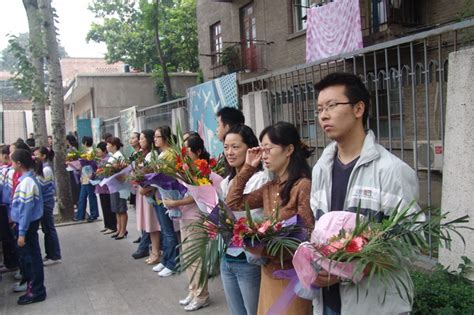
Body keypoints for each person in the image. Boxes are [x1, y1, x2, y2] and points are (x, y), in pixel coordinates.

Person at [310, 72, 420, 315]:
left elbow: (410, 242)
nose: (323, 115)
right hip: (327, 303)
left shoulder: (391, 170)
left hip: (374, 305)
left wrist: (347, 270)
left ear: (358, 108)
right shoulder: (320, 169)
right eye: (319, 109)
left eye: (331, 106)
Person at [226, 121, 315, 315]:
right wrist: (248, 167)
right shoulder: (270, 187)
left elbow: (308, 234)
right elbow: (233, 202)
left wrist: (267, 247)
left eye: (269, 149)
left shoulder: (302, 186)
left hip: (293, 277)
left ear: (289, 149)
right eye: (262, 150)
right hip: (268, 273)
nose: (264, 155)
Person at [219, 124, 270, 315]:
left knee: (254, 311)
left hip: (247, 259)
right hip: (227, 257)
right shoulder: (225, 182)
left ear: (250, 149)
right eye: (226, 147)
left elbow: (254, 218)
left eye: (235, 147)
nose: (229, 152)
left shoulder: (259, 180)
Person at [161, 133, 213, 311]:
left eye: (187, 150)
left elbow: (197, 194)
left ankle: (202, 295)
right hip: (184, 216)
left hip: (196, 217)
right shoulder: (185, 168)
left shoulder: (202, 169)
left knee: (197, 257)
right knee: (187, 256)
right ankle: (193, 290)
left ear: (198, 151)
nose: (184, 153)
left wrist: (175, 203)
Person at [10, 149, 47, 305]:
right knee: (31, 258)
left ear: (19, 164)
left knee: (32, 260)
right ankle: (34, 289)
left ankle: (36, 291)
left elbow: (25, 210)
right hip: (26, 225)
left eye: (12, 161)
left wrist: (22, 232)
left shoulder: (27, 182)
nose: (11, 164)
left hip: (27, 226)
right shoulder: (27, 179)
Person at [151, 126, 179, 277]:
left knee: (169, 232)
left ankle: (172, 263)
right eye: (154, 136)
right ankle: (166, 259)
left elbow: (167, 175)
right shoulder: (162, 154)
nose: (154, 139)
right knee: (165, 230)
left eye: (157, 137)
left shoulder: (169, 154)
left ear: (166, 138)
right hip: (160, 196)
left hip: (168, 197)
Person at [134, 130, 160, 265]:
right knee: (148, 224)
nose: (140, 141)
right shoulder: (142, 154)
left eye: (142, 139)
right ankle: (154, 251)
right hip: (144, 192)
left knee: (152, 223)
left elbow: (155, 175)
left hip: (150, 192)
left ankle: (156, 252)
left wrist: (146, 188)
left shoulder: (153, 155)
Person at [33, 147, 62, 266]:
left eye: (36, 155)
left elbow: (41, 187)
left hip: (46, 201)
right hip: (44, 201)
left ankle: (54, 255)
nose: (34, 157)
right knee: (46, 228)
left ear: (43, 156)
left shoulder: (46, 170)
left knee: (49, 228)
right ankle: (50, 254)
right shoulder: (42, 169)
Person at [0, 145, 19, 274]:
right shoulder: (6, 170)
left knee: (11, 236)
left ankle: (15, 264)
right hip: (6, 206)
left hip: (9, 208)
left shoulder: (11, 172)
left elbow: (11, 192)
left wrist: (11, 213)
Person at [106, 137, 128, 240]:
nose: (107, 146)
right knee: (116, 209)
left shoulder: (119, 156)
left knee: (121, 209)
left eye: (108, 144)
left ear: (114, 146)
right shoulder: (112, 156)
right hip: (113, 187)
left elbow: (122, 172)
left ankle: (123, 231)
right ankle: (119, 229)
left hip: (120, 187)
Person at [73, 136, 99, 222]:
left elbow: (91, 164)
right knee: (82, 196)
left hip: (89, 175)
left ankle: (93, 214)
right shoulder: (85, 152)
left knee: (91, 195)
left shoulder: (90, 152)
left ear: (85, 143)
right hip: (84, 175)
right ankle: (80, 215)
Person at [95, 142, 117, 235]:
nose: (97, 152)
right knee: (104, 206)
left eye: (99, 150)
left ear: (104, 150)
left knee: (108, 207)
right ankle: (107, 225)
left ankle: (112, 226)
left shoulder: (108, 159)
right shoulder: (100, 159)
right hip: (101, 186)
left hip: (107, 187)